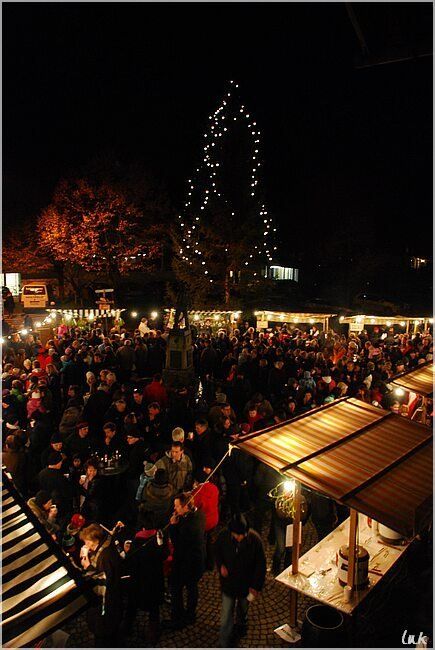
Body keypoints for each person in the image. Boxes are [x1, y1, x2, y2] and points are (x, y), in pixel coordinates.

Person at [214, 513, 266, 647]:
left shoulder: (255, 541)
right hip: (228, 584)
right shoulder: (223, 536)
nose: (239, 537)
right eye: (236, 535)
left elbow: (260, 566)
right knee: (226, 614)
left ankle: (241, 625)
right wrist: (221, 565)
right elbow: (217, 552)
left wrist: (255, 587)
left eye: (242, 534)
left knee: (242, 609)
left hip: (245, 585)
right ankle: (224, 642)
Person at [123, 511, 169, 644]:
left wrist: (126, 552)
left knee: (132, 605)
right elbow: (164, 555)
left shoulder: (137, 541)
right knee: (154, 609)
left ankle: (127, 628)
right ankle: (152, 634)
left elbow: (131, 561)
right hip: (154, 580)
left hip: (138, 580)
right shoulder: (159, 537)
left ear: (142, 527)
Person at [164, 492, 205, 630]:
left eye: (177, 506)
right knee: (192, 588)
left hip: (187, 563)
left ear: (186, 506)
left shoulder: (190, 526)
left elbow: (178, 544)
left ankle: (178, 618)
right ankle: (190, 615)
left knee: (176, 588)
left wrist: (173, 526)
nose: (174, 509)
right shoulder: (199, 514)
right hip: (196, 560)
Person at [79, 523, 123, 648]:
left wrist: (88, 567)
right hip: (112, 600)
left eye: (86, 541)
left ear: (93, 541)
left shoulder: (105, 556)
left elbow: (104, 580)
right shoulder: (105, 547)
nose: (85, 544)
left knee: (103, 632)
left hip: (107, 602)